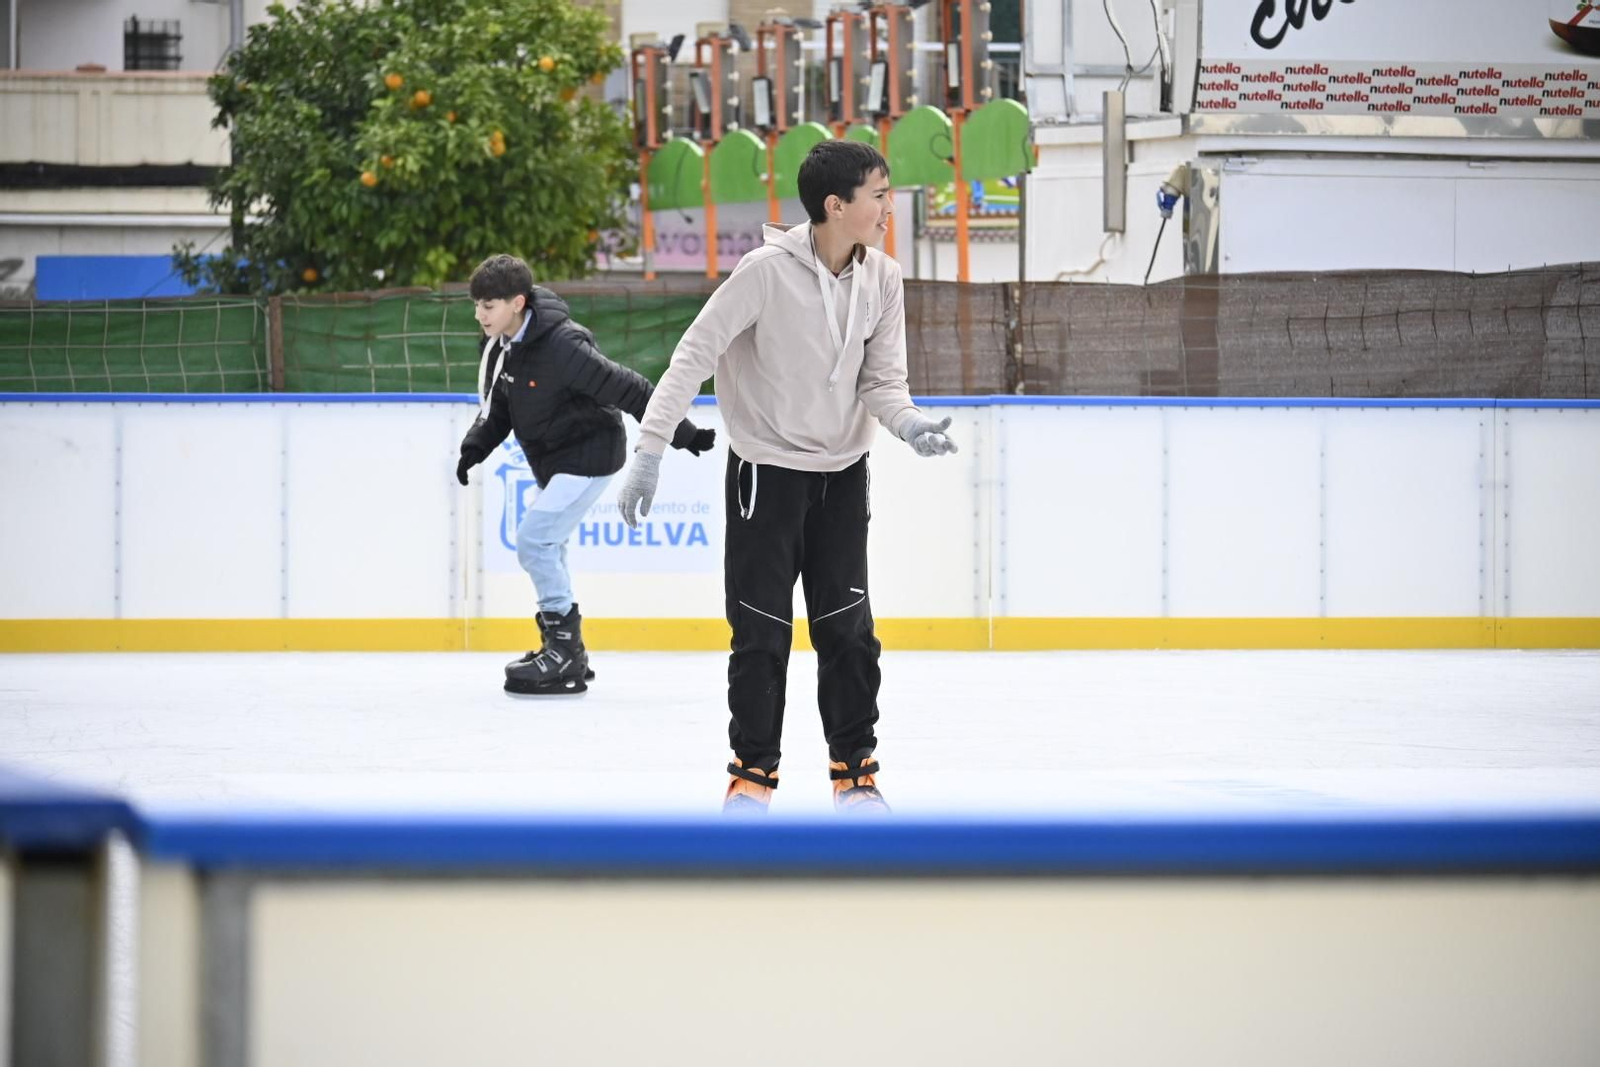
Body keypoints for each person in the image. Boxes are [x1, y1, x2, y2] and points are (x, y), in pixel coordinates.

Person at [615, 141, 958, 813]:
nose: (890, 207)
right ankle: (751, 778)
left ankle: (855, 773)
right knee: (761, 634)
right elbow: (693, 355)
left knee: (849, 632)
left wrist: (911, 423)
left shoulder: (883, 278)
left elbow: (883, 382)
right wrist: (650, 450)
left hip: (841, 479)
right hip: (764, 479)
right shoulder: (763, 272)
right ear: (837, 206)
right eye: (879, 195)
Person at [457, 253, 715, 696]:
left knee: (534, 541)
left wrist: (684, 434)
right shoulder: (499, 345)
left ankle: (564, 648)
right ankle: (565, 651)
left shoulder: (563, 347)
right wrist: (474, 448)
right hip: (553, 460)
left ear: (517, 302)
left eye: (489, 305)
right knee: (548, 545)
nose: (479, 314)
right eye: (477, 304)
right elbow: (501, 408)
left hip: (590, 455)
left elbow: (630, 387)